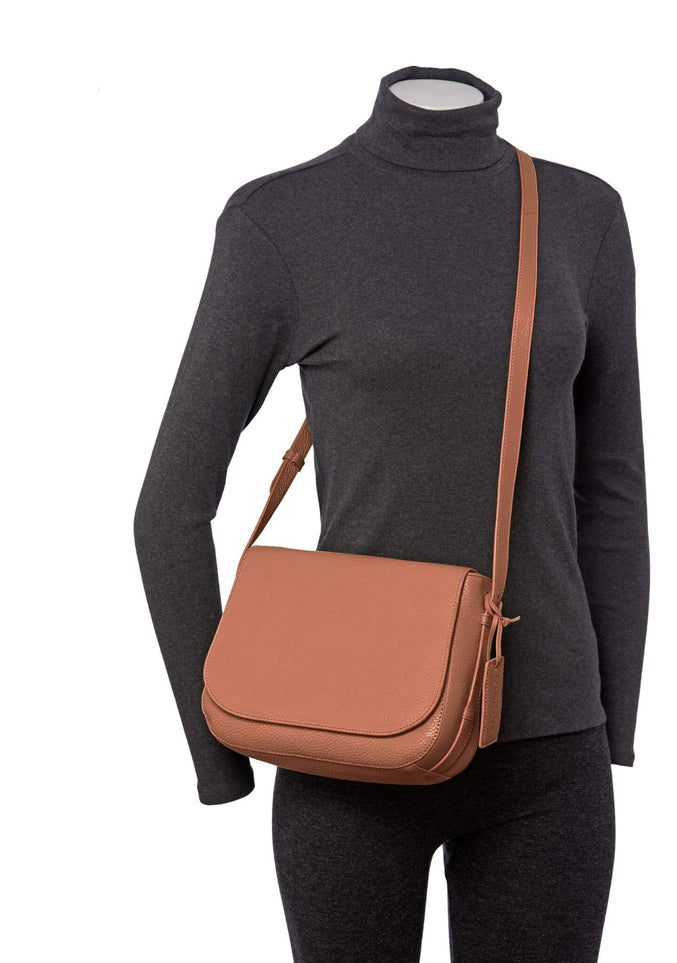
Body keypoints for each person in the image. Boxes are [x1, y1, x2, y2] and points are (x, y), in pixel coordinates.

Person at [134, 64, 649, 962]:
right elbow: (169, 510)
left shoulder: (583, 214)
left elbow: (612, 485)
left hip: (548, 755)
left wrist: (614, 713)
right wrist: (217, 747)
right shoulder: (280, 220)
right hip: (348, 753)